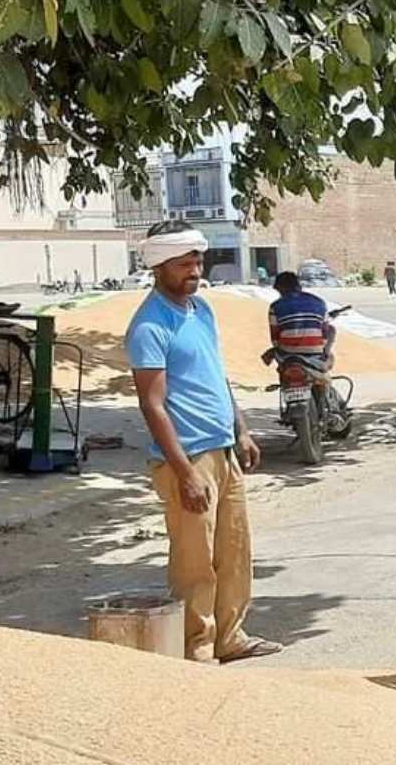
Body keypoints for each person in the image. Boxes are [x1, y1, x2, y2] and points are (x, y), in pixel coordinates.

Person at [125, 220, 283, 664]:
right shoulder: (149, 326)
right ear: (159, 265)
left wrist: (241, 429)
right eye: (184, 263)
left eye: (197, 260)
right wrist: (185, 472)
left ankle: (231, 636)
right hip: (188, 458)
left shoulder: (201, 311)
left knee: (234, 550)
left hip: (223, 449)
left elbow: (217, 376)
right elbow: (152, 406)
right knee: (195, 562)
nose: (195, 269)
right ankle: (197, 647)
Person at [268, 271, 335, 370]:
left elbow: (275, 340)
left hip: (287, 355)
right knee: (331, 331)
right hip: (315, 354)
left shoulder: (275, 306)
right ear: (298, 285)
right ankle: (323, 373)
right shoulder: (319, 302)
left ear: (280, 288)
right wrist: (321, 348)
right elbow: (324, 335)